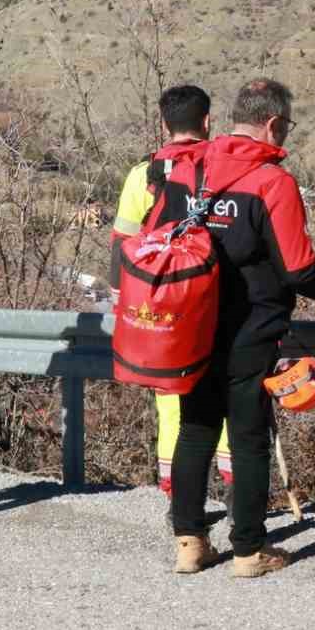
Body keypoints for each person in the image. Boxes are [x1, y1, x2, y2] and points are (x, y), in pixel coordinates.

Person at [167, 78, 315, 576]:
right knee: (248, 438)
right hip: (251, 328)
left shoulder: (189, 169)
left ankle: (189, 543)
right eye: (287, 125)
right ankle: (249, 551)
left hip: (190, 324)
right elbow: (299, 271)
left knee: (195, 429)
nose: (286, 134)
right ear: (272, 123)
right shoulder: (273, 182)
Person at [107, 84, 233, 511]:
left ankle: (179, 506)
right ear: (207, 121)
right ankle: (237, 499)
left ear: (164, 124)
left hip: (164, 306)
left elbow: (122, 242)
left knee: (171, 403)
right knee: (228, 396)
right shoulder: (225, 168)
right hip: (217, 299)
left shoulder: (143, 175)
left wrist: (124, 303)